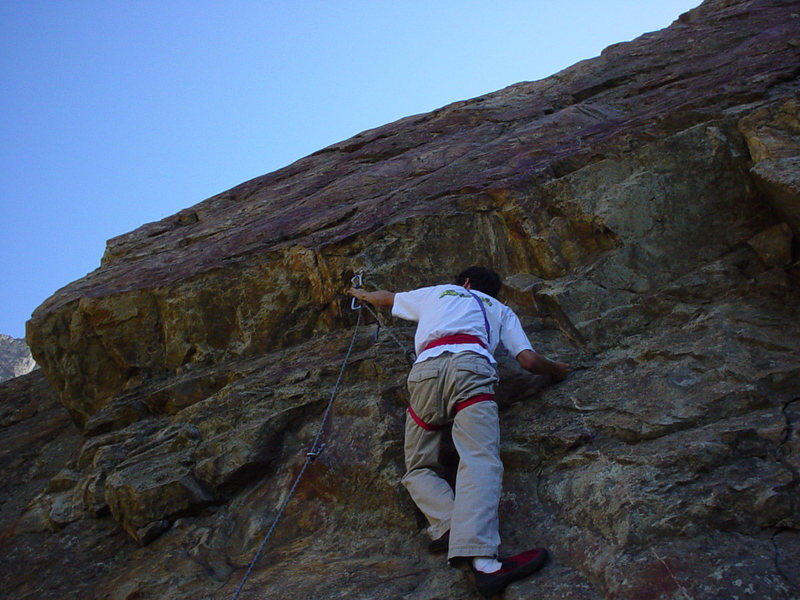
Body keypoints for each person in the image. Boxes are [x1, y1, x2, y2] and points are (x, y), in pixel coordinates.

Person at [348, 266, 569, 598]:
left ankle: (451, 525)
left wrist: (361, 295)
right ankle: (485, 564)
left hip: (425, 374)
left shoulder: (437, 292)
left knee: (418, 466)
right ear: (491, 291)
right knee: (478, 458)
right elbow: (528, 361)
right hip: (470, 369)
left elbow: (387, 299)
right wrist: (559, 370)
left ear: (464, 282)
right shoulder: (500, 310)